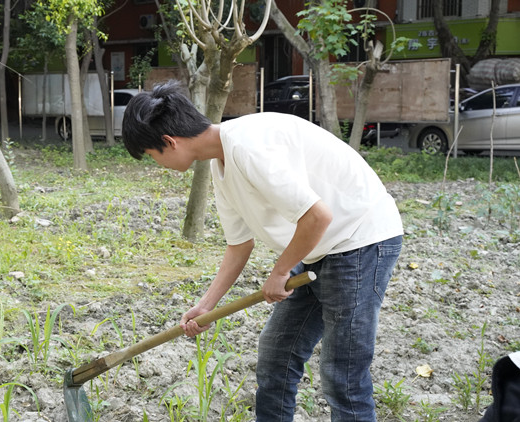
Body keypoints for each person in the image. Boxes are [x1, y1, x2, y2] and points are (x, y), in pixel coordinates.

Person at [121, 80, 403, 421]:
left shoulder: (247, 147)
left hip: (361, 240)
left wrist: (281, 271)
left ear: (170, 142)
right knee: (276, 356)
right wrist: (205, 306)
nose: (157, 164)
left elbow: (317, 216)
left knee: (342, 374)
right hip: (320, 250)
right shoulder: (220, 161)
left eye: (152, 156)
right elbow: (239, 245)